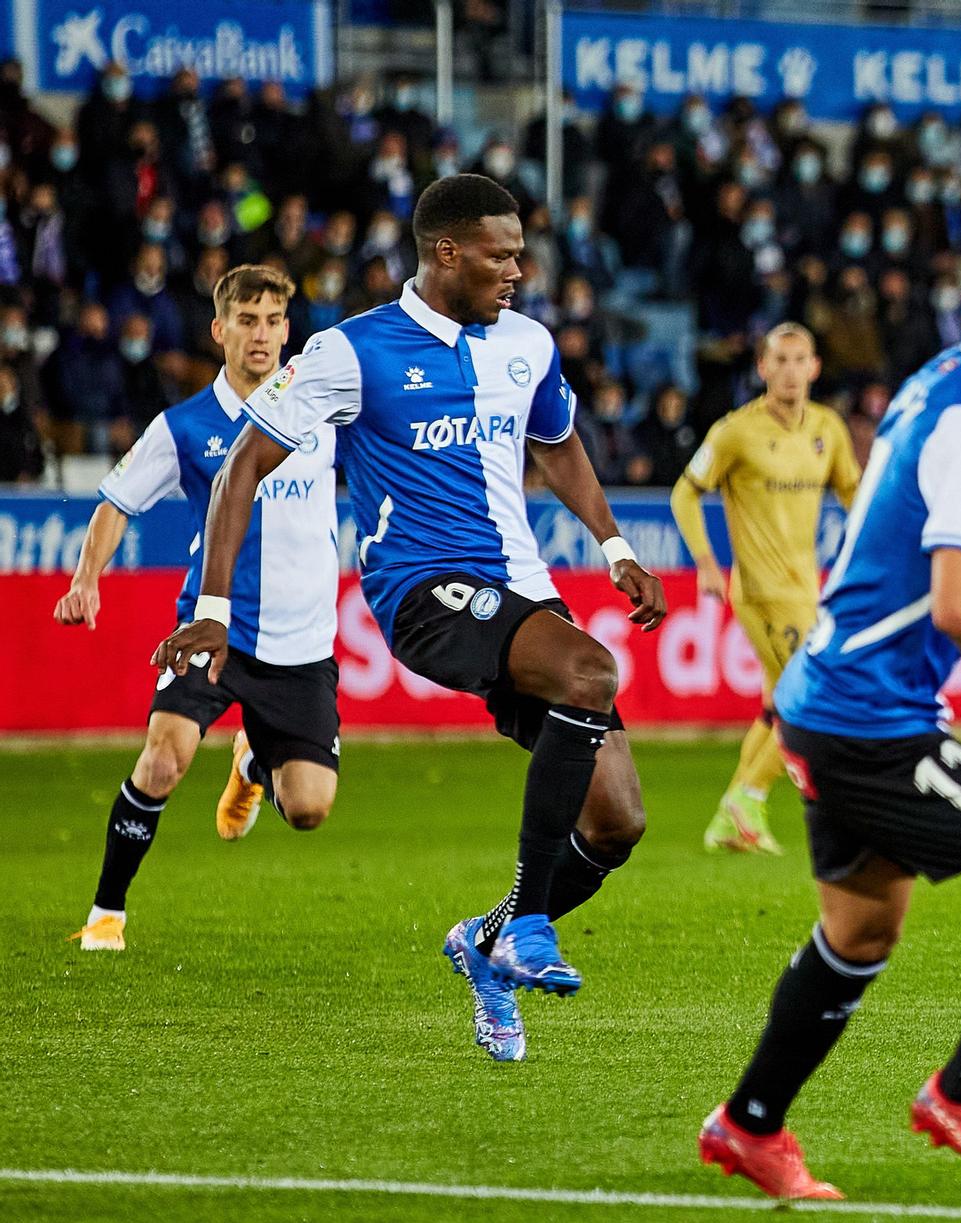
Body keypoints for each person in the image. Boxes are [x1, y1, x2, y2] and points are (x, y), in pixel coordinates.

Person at [150, 175, 667, 1063]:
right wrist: (214, 607)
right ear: (446, 252)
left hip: (523, 590)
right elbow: (242, 467)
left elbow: (556, 440)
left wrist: (613, 543)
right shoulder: (354, 352)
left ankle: (486, 942)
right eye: (501, 254)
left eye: (519, 251)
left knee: (617, 820)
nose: (518, 268)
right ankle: (530, 924)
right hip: (422, 590)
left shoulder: (529, 344)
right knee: (591, 670)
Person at [698, 214, 961, 1200]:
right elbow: (957, 602)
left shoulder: (936, 381)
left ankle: (748, 1123)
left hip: (823, 690)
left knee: (859, 933)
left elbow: (915, 575)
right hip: (868, 717)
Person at [57, 266, 340, 952]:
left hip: (302, 642)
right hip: (212, 628)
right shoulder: (185, 426)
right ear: (220, 331)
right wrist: (85, 578)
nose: (263, 335)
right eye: (248, 319)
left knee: (307, 807)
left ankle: (251, 764)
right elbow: (115, 502)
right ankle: (106, 913)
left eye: (275, 320)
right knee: (162, 760)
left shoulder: (323, 409)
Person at [670, 323, 859, 854]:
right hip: (759, 590)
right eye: (781, 360)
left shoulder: (828, 428)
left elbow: (854, 495)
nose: (791, 371)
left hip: (807, 589)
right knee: (814, 694)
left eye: (801, 360)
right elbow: (685, 494)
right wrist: (706, 562)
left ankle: (732, 817)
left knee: (778, 705)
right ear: (763, 368)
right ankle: (750, 793)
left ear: (815, 367)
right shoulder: (736, 431)